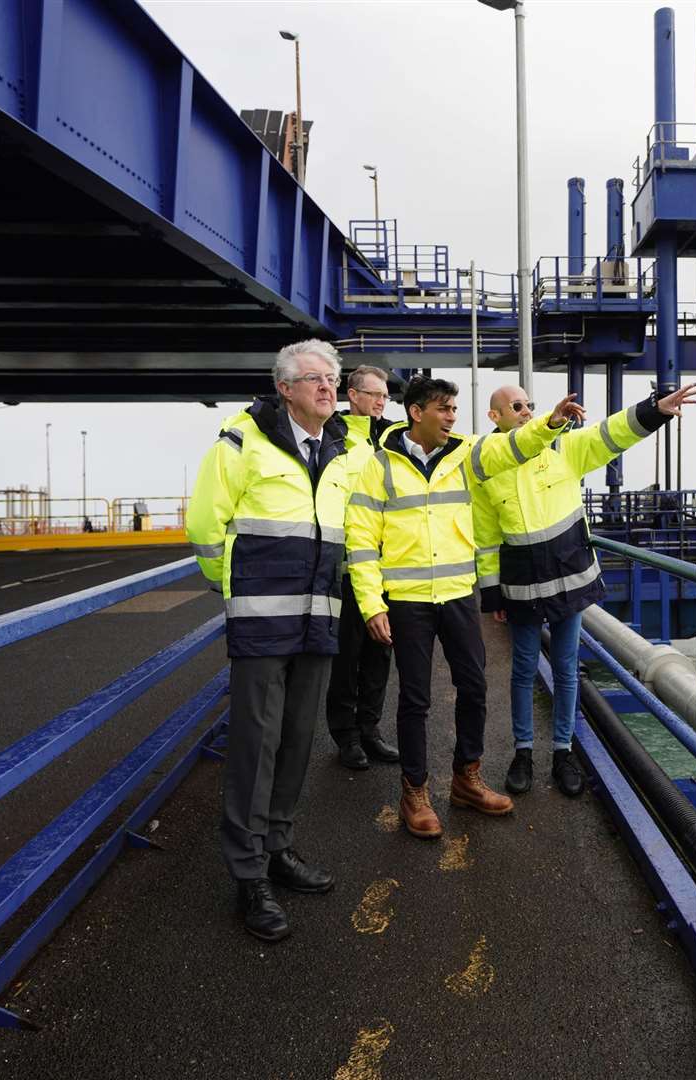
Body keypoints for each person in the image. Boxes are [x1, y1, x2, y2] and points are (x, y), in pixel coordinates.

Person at [344, 374, 585, 839]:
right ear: (417, 413)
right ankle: (415, 790)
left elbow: (510, 448)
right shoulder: (379, 467)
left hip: (457, 593)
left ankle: (466, 779)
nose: (453, 417)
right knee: (415, 699)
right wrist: (372, 604)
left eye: (455, 409)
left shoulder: (466, 453)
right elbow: (360, 538)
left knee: (474, 688)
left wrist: (550, 424)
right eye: (444, 409)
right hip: (408, 599)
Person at [186, 339, 365, 943]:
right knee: (254, 747)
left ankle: (280, 848)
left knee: (296, 740)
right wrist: (233, 589)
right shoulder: (243, 440)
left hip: (319, 615)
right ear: (285, 388)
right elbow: (206, 524)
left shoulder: (342, 448)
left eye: (333, 378)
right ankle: (248, 874)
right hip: (261, 617)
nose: (327, 386)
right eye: (314, 378)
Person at [474, 382, 696, 796]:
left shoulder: (563, 448)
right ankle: (523, 752)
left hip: (571, 581)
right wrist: (492, 594)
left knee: (565, 670)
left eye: (531, 404)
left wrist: (655, 410)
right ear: (495, 416)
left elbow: (610, 434)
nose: (527, 411)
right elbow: (486, 537)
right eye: (517, 406)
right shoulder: (488, 465)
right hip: (523, 585)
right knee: (523, 670)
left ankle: (563, 752)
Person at [327, 364, 399, 770]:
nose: (381, 402)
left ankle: (370, 730)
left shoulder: (391, 437)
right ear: (353, 395)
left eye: (386, 396)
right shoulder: (332, 438)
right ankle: (346, 736)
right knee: (346, 655)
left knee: (380, 653)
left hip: (387, 565)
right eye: (374, 395)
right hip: (347, 566)